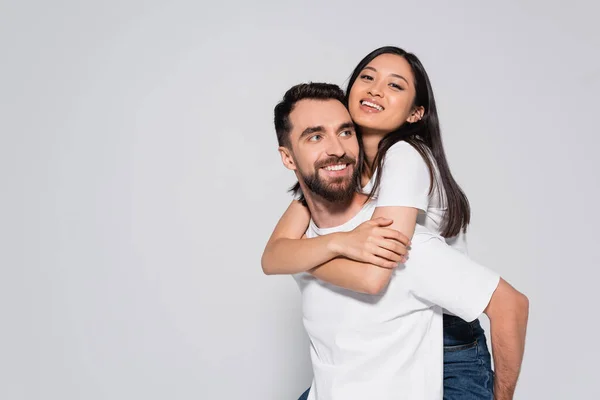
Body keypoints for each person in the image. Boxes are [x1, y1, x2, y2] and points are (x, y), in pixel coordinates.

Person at [263, 48, 528, 400]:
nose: (375, 90)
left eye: (395, 86)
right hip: (373, 350)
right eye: (368, 77)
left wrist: (308, 259)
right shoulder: (338, 175)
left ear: (416, 113)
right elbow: (274, 256)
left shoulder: (404, 158)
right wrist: (336, 244)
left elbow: (374, 277)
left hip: (448, 339)